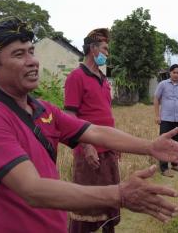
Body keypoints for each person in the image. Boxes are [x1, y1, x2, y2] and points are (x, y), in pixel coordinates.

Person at [0, 17, 178, 233]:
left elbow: (94, 130)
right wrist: (119, 194)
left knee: (105, 217)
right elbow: (32, 190)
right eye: (18, 55)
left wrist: (149, 147)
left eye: (31, 52)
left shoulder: (43, 109)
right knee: (88, 218)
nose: (32, 61)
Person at [64, 28, 119, 232]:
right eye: (105, 49)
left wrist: (116, 143)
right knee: (86, 205)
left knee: (110, 200)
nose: (107, 53)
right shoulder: (76, 77)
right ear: (92, 49)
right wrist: (87, 146)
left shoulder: (103, 80)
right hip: (90, 153)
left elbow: (106, 114)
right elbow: (70, 117)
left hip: (108, 150)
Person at [154, 64, 178, 177]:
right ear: (170, 73)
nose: (176, 74)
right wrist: (157, 116)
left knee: (176, 143)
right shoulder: (163, 85)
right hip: (166, 119)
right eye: (174, 72)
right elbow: (156, 99)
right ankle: (164, 168)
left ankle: (174, 164)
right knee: (164, 143)